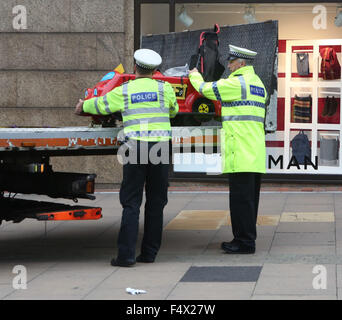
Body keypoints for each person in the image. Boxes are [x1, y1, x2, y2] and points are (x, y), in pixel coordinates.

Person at [75, 48, 179, 266]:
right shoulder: (165, 89)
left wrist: (82, 106)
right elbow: (173, 111)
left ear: (134, 67)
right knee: (156, 202)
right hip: (160, 147)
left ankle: (126, 256)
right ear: (156, 70)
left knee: (131, 202)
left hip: (134, 147)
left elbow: (101, 105)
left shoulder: (125, 90)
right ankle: (149, 254)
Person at [189, 44, 267, 254]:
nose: (229, 66)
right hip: (254, 151)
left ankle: (244, 243)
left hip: (240, 151)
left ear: (241, 63)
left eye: (232, 62)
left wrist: (194, 75)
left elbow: (207, 90)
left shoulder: (237, 83)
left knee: (241, 202)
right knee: (249, 202)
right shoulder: (258, 83)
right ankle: (247, 239)